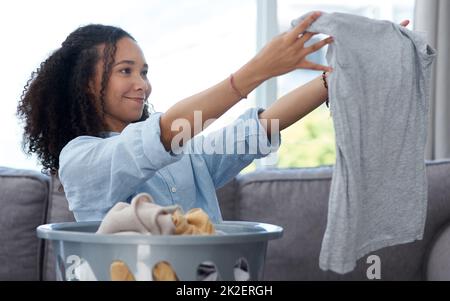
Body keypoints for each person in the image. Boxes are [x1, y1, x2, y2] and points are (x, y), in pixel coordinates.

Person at [17, 12, 409, 222]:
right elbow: (162, 135)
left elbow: (258, 128)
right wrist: (257, 70)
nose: (142, 84)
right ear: (87, 83)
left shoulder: (185, 157)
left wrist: (339, 78)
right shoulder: (80, 159)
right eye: (126, 71)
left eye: (144, 72)